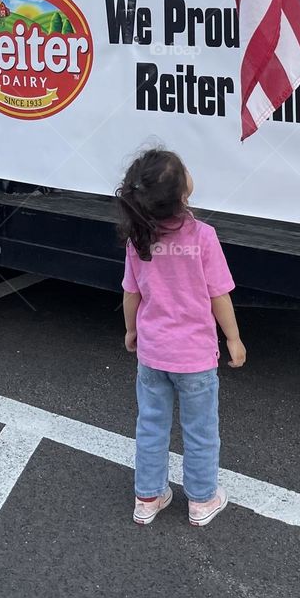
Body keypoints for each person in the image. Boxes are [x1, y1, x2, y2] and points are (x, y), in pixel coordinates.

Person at [116, 147, 246, 527]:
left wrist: (131, 330)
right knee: (200, 430)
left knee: (151, 426)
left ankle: (148, 496)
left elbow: (131, 294)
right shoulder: (203, 236)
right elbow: (218, 295)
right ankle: (202, 500)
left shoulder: (138, 239)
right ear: (183, 192)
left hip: (153, 353)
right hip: (195, 358)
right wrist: (233, 338)